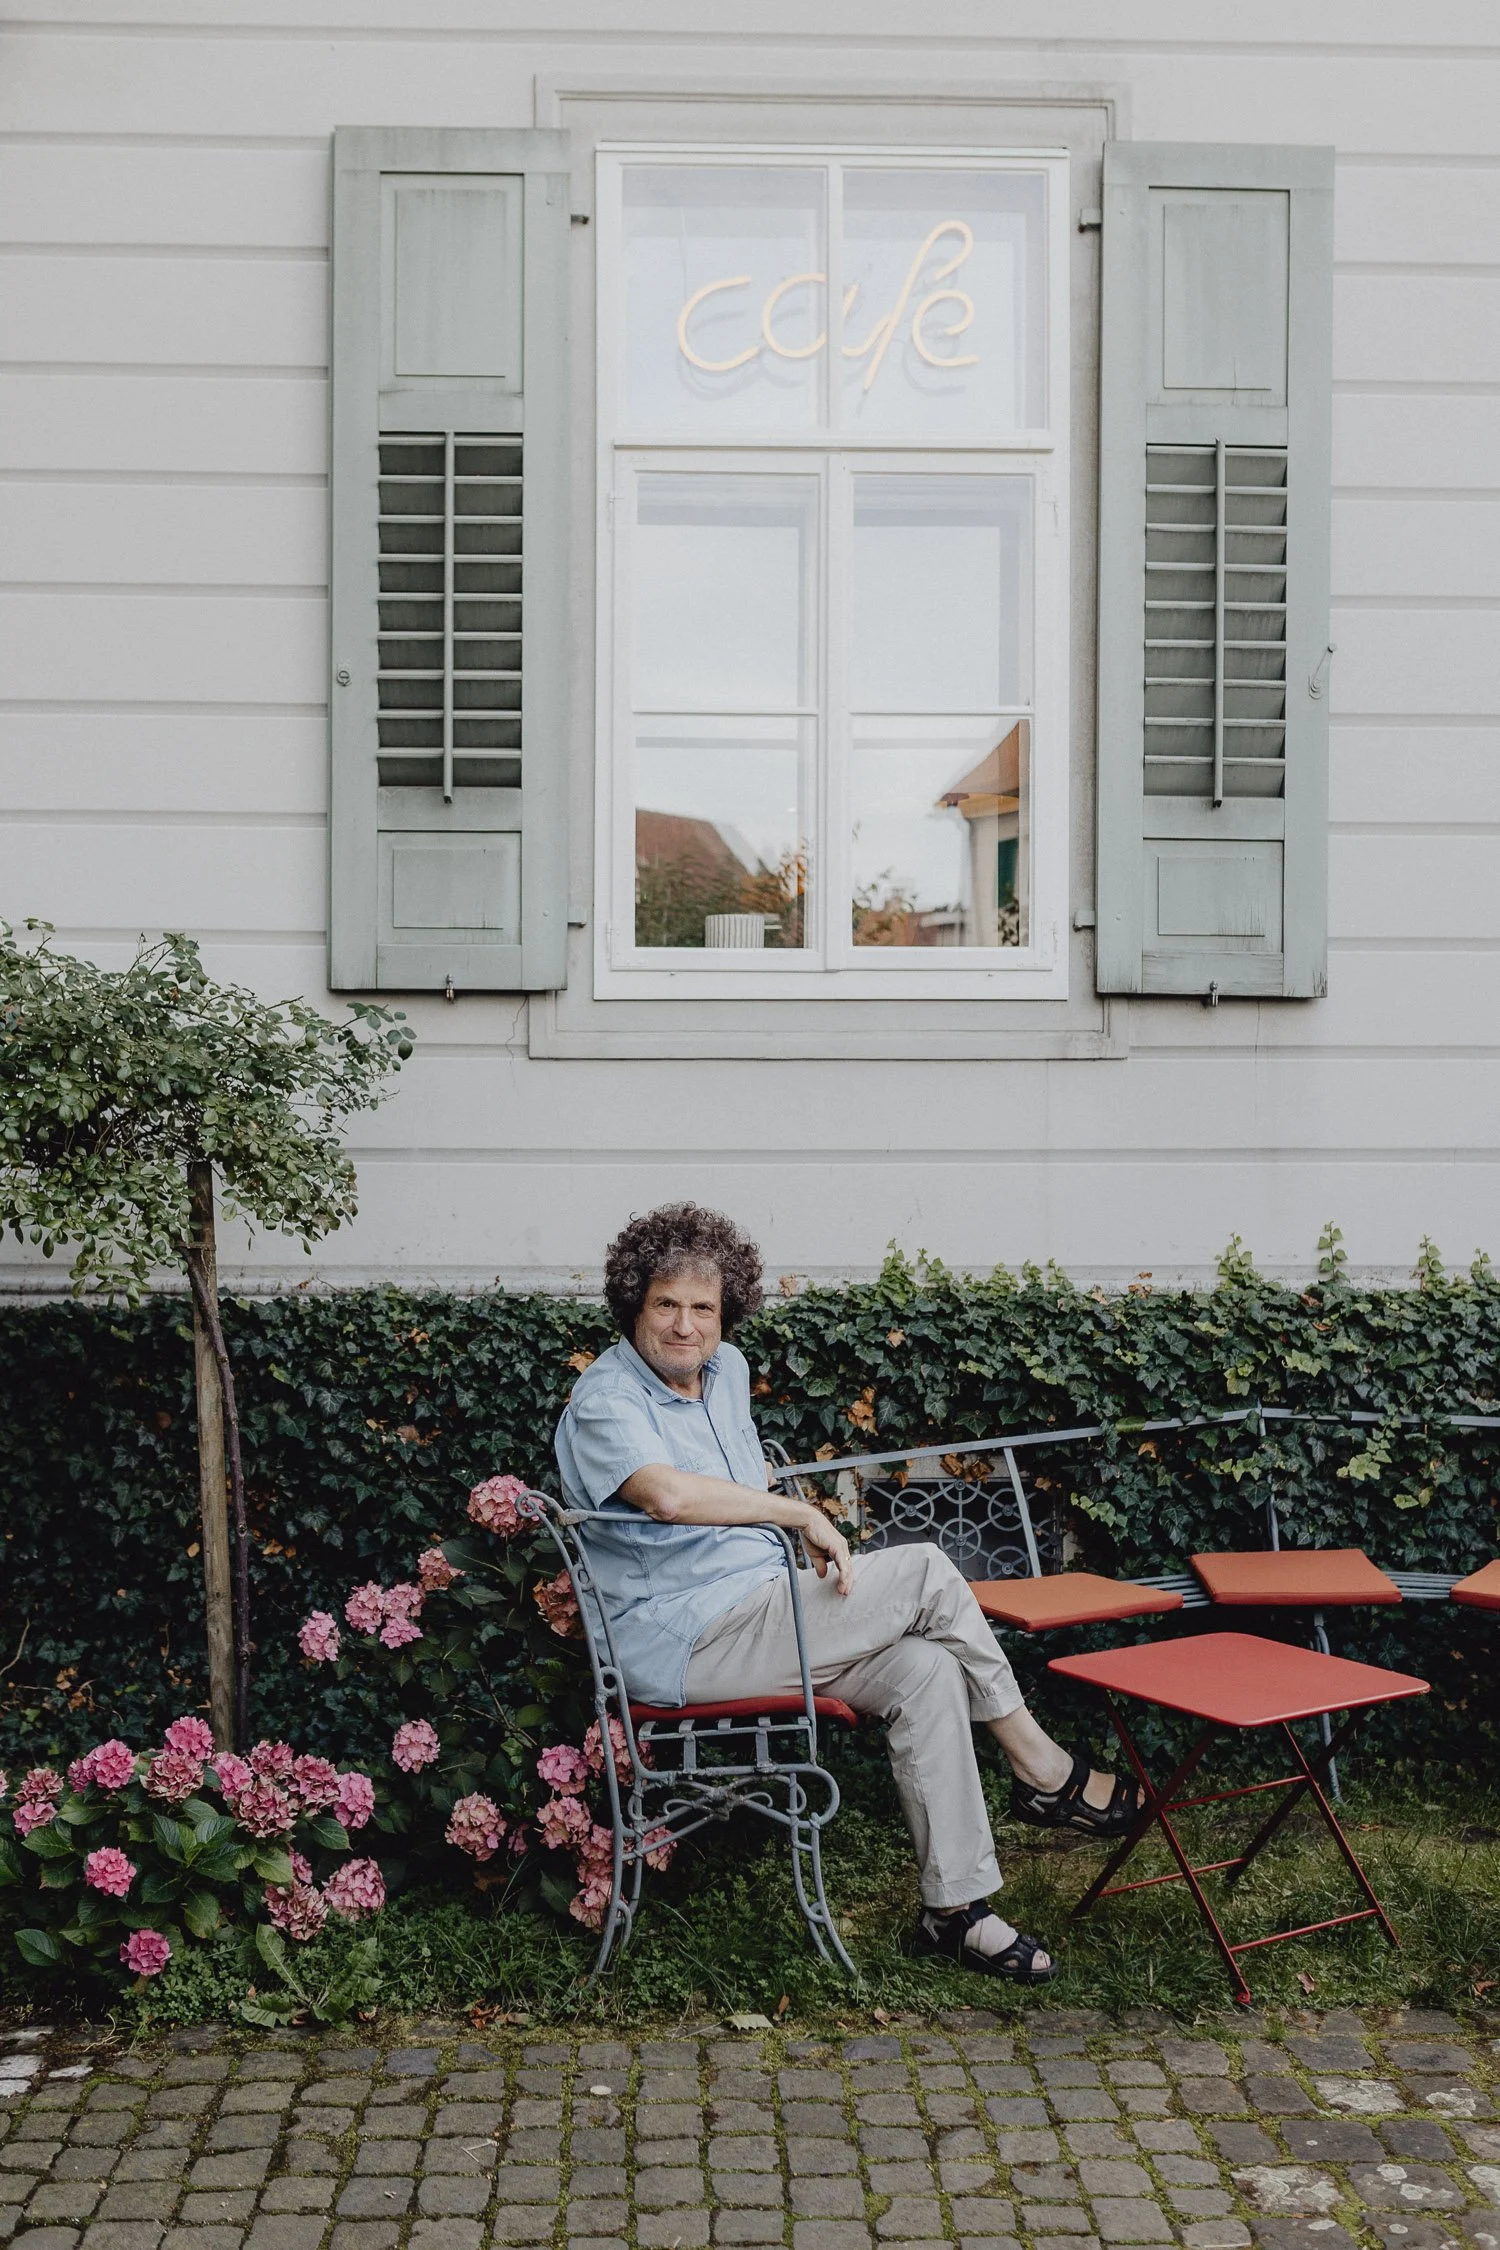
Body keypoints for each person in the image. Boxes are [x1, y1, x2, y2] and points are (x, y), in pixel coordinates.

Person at [554, 1202, 1142, 1983]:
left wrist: (780, 1524)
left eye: (705, 1307)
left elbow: (733, 1484)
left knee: (925, 1672)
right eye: (667, 1304)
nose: (686, 1325)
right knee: (929, 1570)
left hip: (768, 1610)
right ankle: (1043, 1770)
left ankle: (957, 1914)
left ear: (727, 1313)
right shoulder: (606, 1401)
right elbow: (667, 1496)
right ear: (634, 1304)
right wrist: (797, 1512)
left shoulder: (723, 1372)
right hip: (687, 1640)